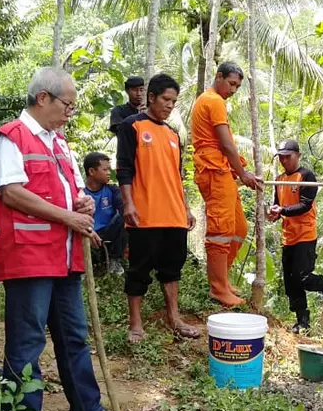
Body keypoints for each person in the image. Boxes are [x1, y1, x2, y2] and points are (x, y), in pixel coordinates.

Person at [0, 66, 132, 411]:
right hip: (30, 256)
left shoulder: (59, 142)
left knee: (74, 335)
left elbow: (67, 191)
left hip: (65, 256)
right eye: (67, 104)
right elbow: (11, 192)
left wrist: (80, 204)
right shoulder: (11, 138)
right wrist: (68, 214)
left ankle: (87, 406)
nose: (70, 111)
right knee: (28, 339)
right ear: (43, 98)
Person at [116, 73, 199, 344]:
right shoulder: (132, 126)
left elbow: (176, 176)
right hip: (145, 214)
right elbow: (124, 168)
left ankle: (174, 317)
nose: (170, 105)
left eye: (174, 101)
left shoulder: (174, 135)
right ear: (150, 97)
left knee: (172, 269)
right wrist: (128, 203)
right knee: (139, 269)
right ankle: (136, 323)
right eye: (165, 99)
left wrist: (186, 209)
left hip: (174, 215)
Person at [190, 62, 262, 307]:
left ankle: (222, 280)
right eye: (231, 84)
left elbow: (226, 144)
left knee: (239, 228)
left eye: (238, 87)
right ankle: (218, 288)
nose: (234, 90)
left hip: (222, 170)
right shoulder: (213, 101)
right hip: (213, 170)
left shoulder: (213, 101)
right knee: (221, 230)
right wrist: (243, 174)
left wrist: (240, 170)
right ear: (219, 77)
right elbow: (226, 144)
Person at [267, 140, 323, 333]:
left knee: (302, 276)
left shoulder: (306, 176)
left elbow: (305, 205)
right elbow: (279, 204)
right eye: (281, 157)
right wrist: (275, 213)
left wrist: (283, 210)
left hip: (305, 234)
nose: (284, 160)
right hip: (288, 236)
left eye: (288, 156)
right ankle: (302, 321)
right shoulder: (279, 179)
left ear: (298, 155)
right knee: (290, 281)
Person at [83, 152, 126, 275]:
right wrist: (89, 231)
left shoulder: (112, 190)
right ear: (91, 171)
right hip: (86, 232)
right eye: (105, 169)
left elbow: (122, 206)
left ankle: (114, 259)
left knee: (125, 215)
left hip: (108, 232)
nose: (109, 173)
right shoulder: (80, 192)